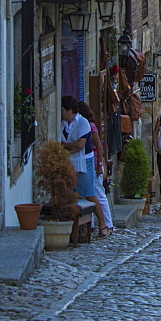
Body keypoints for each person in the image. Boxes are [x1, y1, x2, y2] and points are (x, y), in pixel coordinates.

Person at [60, 96, 108, 237]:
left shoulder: (83, 123)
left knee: (89, 195)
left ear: (70, 110)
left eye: (63, 110)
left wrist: (63, 146)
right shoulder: (62, 123)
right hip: (68, 161)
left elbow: (80, 145)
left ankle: (103, 224)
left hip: (83, 162)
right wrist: (70, 147)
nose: (61, 112)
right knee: (69, 195)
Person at [78, 101, 113, 235]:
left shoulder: (90, 127)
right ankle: (90, 224)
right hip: (85, 165)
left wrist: (99, 165)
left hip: (93, 164)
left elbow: (99, 146)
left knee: (98, 193)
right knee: (87, 194)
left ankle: (107, 224)